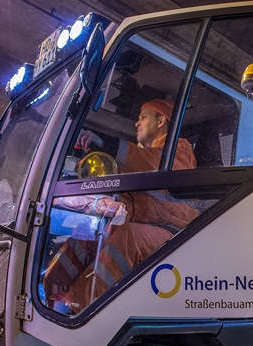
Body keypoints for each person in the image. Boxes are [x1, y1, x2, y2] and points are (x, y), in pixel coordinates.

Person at [43, 99, 200, 313]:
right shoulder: (141, 160)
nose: (137, 123)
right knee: (89, 232)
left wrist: (109, 144)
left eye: (143, 117)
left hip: (174, 235)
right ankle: (50, 295)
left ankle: (80, 310)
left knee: (127, 237)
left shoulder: (179, 149)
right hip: (144, 226)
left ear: (161, 120)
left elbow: (150, 163)